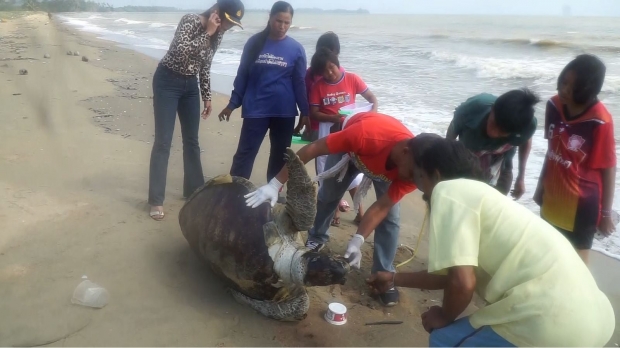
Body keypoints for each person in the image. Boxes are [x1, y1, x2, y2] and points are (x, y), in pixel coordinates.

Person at [367, 135, 615, 347]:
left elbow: (462, 283)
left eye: (417, 177)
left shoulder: (448, 192)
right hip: (596, 322)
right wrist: (394, 278)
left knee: (444, 340)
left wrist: (443, 315)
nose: (419, 189)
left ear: (435, 174)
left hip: (548, 319)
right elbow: (451, 276)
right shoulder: (487, 199)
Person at [245, 112, 419, 307]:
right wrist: (275, 183)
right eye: (412, 174)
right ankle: (317, 237)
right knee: (328, 196)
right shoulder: (364, 135)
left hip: (385, 164)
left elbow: (381, 207)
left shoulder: (414, 172)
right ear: (405, 152)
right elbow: (312, 149)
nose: (412, 181)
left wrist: (357, 240)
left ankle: (384, 274)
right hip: (353, 151)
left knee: (391, 218)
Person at [148, 0, 244, 220]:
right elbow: (180, 51)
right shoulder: (190, 21)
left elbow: (205, 64)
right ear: (216, 12)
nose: (227, 28)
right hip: (167, 81)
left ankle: (194, 192)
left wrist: (207, 96)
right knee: (163, 142)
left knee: (192, 141)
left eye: (232, 24)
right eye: (227, 22)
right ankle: (156, 200)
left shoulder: (218, 34)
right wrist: (208, 33)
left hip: (190, 86)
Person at [218, 1, 309, 194]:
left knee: (279, 156)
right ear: (270, 17)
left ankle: (272, 194)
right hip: (256, 109)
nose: (282, 26)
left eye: (287, 22)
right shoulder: (254, 43)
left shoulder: (296, 49)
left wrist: (305, 112)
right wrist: (233, 103)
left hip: (284, 112)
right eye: (278, 21)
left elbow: (300, 83)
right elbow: (243, 75)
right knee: (245, 153)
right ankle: (235, 192)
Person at [534, 54, 617, 264]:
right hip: (552, 198)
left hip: (582, 207)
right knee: (547, 256)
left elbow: (608, 168)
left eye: (573, 87)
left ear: (589, 90)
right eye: (563, 82)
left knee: (577, 265)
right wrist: (539, 187)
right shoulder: (553, 106)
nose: (564, 90)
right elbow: (553, 151)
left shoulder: (600, 120)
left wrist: (606, 214)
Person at [308, 46, 378, 226]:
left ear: (337, 64)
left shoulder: (352, 78)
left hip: (349, 128)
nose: (330, 73)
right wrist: (333, 117)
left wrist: (372, 115)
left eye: (332, 67)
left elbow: (372, 98)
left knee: (352, 170)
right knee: (326, 171)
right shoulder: (318, 86)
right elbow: (314, 112)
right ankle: (333, 214)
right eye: (324, 71)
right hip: (327, 129)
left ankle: (360, 213)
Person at [445, 88, 540, 199]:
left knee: (494, 201)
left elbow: (526, 140)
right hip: (468, 156)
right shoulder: (472, 108)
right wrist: (447, 167)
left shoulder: (527, 125)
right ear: (492, 108)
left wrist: (521, 178)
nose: (494, 133)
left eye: (502, 132)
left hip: (500, 162)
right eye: (493, 124)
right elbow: (451, 136)